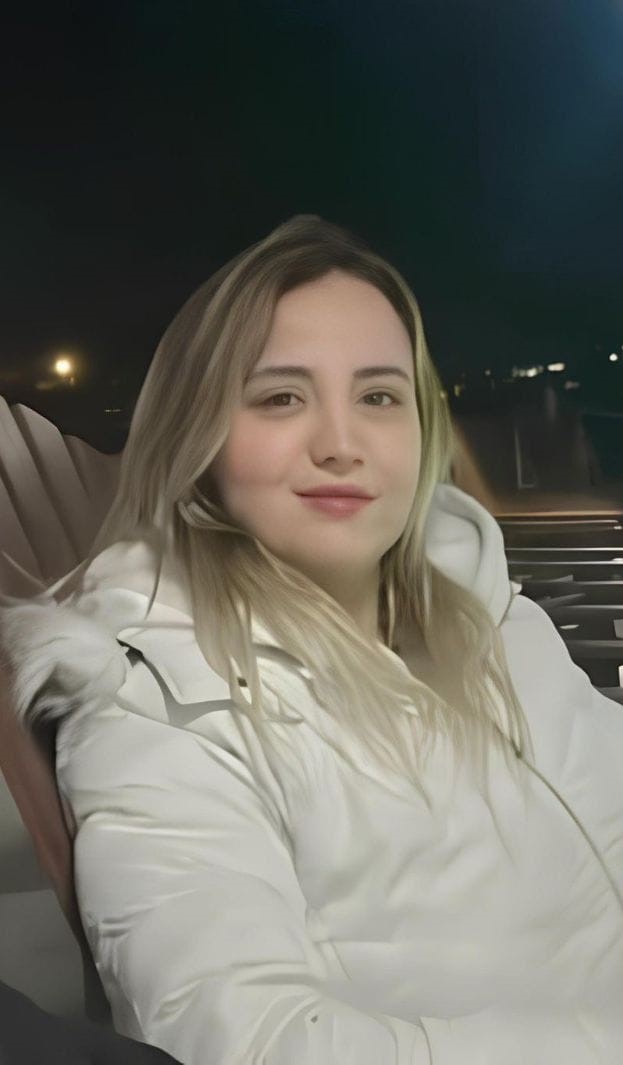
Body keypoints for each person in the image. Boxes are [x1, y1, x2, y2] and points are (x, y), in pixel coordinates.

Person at [1, 214, 622, 1064]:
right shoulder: (157, 693)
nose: (340, 444)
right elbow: (252, 1039)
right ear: (199, 436)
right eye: (281, 398)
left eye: (378, 396)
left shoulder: (486, 616)